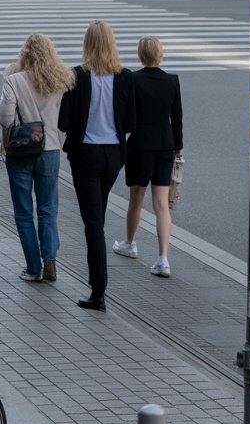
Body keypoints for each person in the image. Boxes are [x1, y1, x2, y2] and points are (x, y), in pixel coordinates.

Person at [59, 21, 135, 312]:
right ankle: (98, 288)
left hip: (86, 155)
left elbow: (63, 122)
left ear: (87, 44)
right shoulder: (125, 77)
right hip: (114, 155)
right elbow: (130, 123)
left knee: (93, 225)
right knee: (97, 218)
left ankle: (98, 292)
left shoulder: (77, 76)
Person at [0, 34, 74, 283]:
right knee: (48, 209)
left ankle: (33, 268)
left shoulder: (14, 80)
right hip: (51, 151)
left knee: (24, 212)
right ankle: (50, 260)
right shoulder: (61, 80)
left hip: (21, 151)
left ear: (25, 54)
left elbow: (4, 118)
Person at [112, 37, 183, 278]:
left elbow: (127, 115)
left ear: (141, 54)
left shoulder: (132, 79)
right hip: (165, 145)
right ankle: (163, 258)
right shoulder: (172, 81)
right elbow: (177, 117)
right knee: (162, 204)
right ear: (161, 54)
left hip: (140, 145)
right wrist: (179, 148)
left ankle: (130, 243)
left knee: (136, 198)